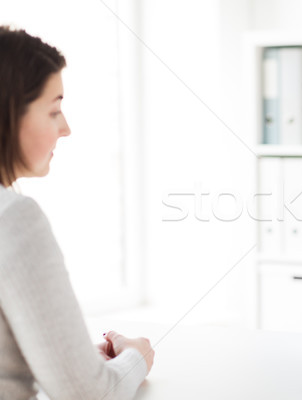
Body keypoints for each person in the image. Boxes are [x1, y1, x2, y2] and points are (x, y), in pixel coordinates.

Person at [0, 26, 154, 399]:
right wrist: (137, 356)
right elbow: (87, 394)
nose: (65, 128)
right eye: (54, 110)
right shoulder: (15, 219)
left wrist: (74, 361)